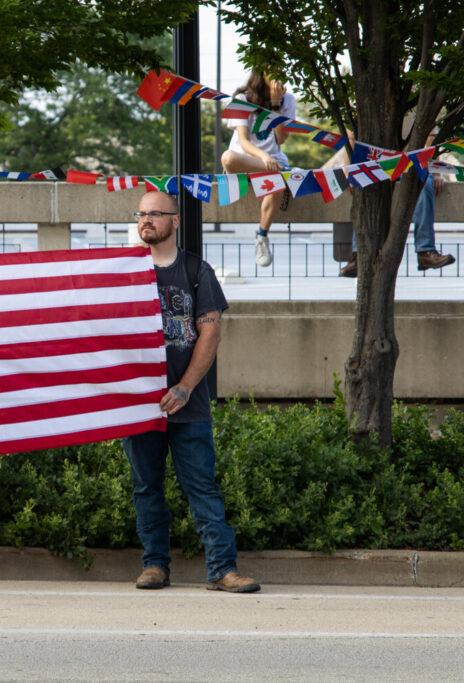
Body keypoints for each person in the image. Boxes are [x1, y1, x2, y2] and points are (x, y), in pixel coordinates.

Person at [122, 191, 260, 594]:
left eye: (155, 214)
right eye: (142, 214)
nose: (147, 220)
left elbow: (211, 331)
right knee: (147, 486)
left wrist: (184, 388)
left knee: (201, 486)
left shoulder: (197, 271)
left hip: (189, 403)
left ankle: (222, 568)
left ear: (175, 221)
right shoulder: (125, 272)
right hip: (140, 405)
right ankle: (155, 565)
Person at [339, 129, 456, 277]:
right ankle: (359, 257)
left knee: (426, 183)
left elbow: (431, 136)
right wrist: (349, 172)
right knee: (363, 185)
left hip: (410, 164)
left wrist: (436, 171)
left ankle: (425, 251)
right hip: (374, 162)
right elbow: (351, 136)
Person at [220, 71, 297, 268]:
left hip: (273, 165)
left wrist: (275, 104)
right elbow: (244, 142)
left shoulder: (287, 99)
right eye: (273, 70)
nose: (279, 76)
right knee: (227, 157)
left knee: (276, 184)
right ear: (261, 74)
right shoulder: (242, 98)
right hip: (247, 162)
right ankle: (280, 173)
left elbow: (281, 139)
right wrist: (264, 157)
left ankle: (262, 237)